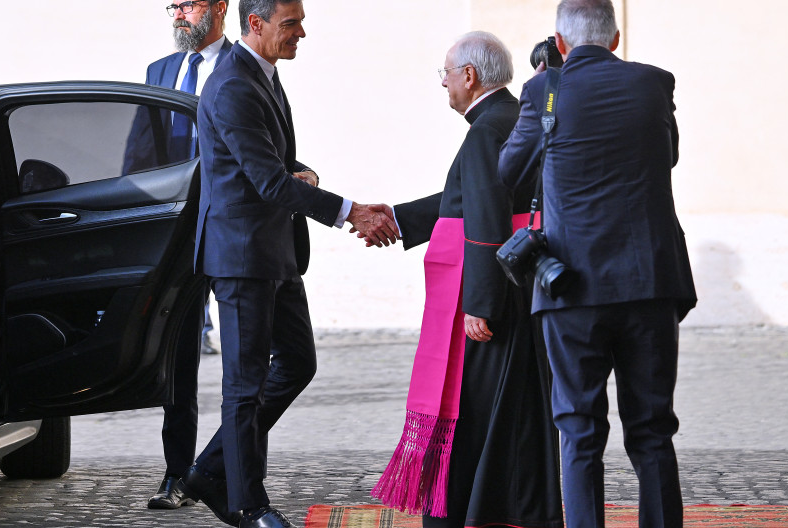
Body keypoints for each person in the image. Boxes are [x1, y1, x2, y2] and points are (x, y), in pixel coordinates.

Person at [177, 1, 400, 527]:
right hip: (241, 256)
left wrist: (308, 173)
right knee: (244, 384)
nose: (302, 31)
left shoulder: (263, 75)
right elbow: (269, 181)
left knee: (298, 362)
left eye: (300, 20)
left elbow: (277, 163)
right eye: (290, 23)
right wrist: (352, 212)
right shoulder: (232, 84)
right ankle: (249, 505)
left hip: (275, 251)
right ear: (255, 24)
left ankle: (210, 470)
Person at [498, 1, 697, 527]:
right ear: (613, 40)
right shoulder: (654, 83)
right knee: (653, 429)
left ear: (560, 43)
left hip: (570, 289)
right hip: (649, 282)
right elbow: (667, 154)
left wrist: (545, 88)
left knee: (579, 431)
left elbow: (509, 172)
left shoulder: (545, 91)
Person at [368, 32, 563, 528]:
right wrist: (400, 217)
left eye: (446, 74)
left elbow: (484, 214)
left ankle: (467, 514)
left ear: (469, 77)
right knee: (514, 408)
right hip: (521, 282)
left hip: (489, 293)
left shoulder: (485, 129)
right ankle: (514, 509)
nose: (445, 84)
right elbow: (463, 195)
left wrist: (481, 301)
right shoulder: (513, 117)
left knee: (473, 410)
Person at [126, 0, 232, 511]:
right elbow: (138, 156)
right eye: (172, 5)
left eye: (188, 4)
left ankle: (232, 472)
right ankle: (177, 476)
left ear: (219, 7)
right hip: (176, 241)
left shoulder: (243, 66)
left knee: (242, 366)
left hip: (231, 235)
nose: (178, 14)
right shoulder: (160, 72)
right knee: (179, 361)